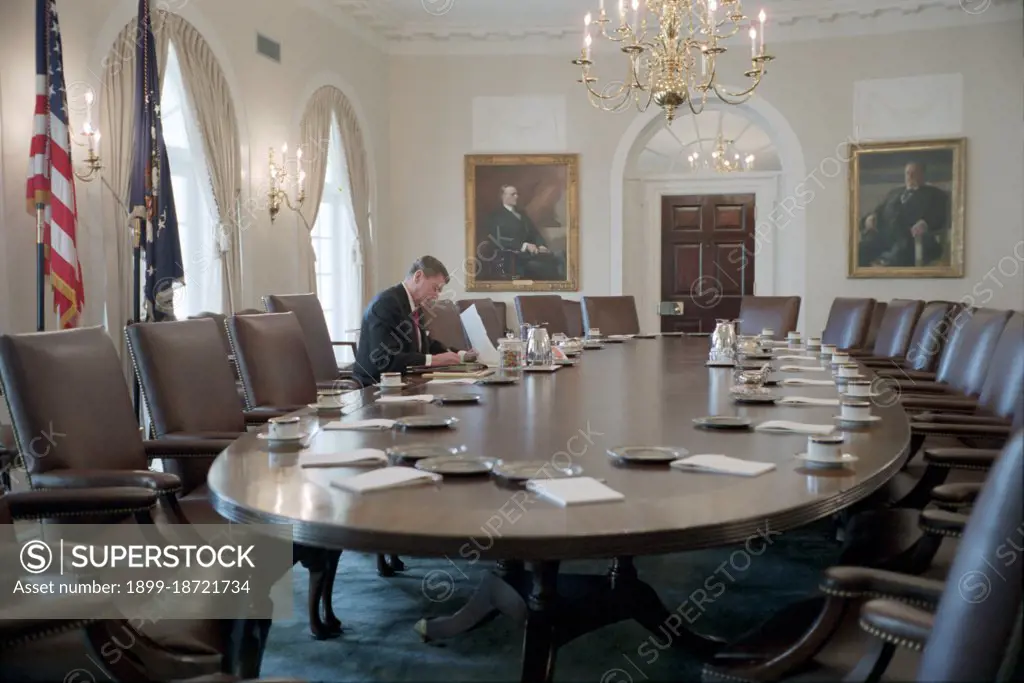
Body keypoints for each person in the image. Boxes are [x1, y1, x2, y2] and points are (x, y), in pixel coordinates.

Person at [352, 256, 477, 386]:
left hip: (404, 382)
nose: (436, 296)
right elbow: (385, 359)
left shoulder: (414, 304)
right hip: (374, 386)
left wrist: (460, 355)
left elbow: (425, 344)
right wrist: (434, 360)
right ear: (418, 276)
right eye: (435, 288)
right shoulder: (386, 304)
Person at [858, 162, 949, 268]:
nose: (910, 177)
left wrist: (925, 223)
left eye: (914, 173)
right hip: (885, 238)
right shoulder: (894, 193)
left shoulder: (935, 194)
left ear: (922, 175)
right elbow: (879, 210)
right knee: (860, 251)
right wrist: (870, 217)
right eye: (907, 173)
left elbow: (940, 215)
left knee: (897, 256)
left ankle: (884, 266)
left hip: (911, 239)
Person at [484, 185, 565, 280]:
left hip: (530, 255)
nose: (516, 196)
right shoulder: (496, 216)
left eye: (517, 194)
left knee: (560, 256)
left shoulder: (522, 214)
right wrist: (525, 245)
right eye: (513, 194)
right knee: (547, 268)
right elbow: (497, 240)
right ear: (503, 196)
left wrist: (541, 245)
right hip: (512, 258)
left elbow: (534, 232)